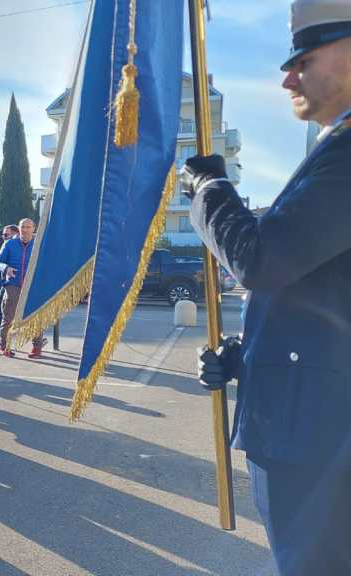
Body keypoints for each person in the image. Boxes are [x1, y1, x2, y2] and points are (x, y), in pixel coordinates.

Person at [184, 4, 351, 573]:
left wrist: (208, 188)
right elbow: (321, 294)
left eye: (303, 59)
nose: (286, 77)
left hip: (322, 438)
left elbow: (262, 259)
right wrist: (250, 358)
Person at [0, 219, 43, 359]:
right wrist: (6, 268)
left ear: (33, 228)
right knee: (9, 317)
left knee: (36, 316)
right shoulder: (9, 243)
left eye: (28, 227)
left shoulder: (39, 244)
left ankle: (37, 346)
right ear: (19, 228)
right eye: (23, 227)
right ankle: (4, 346)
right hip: (12, 284)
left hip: (33, 286)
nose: (25, 229)